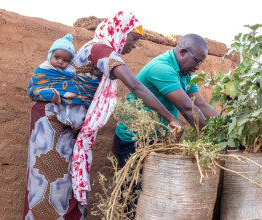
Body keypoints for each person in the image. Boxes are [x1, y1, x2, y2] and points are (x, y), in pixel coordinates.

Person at [23, 11, 182, 220]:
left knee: (63, 185)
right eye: (134, 38)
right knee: (50, 184)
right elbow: (134, 85)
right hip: (54, 121)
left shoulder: (99, 49)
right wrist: (170, 117)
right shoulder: (101, 49)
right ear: (120, 31)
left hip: (64, 122)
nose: (135, 46)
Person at [114, 33, 219, 168]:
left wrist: (225, 126)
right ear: (182, 52)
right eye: (196, 61)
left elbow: (200, 105)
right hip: (135, 140)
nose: (198, 67)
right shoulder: (162, 68)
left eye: (201, 62)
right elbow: (188, 110)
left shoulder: (187, 74)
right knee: (137, 187)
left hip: (159, 140)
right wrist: (216, 138)